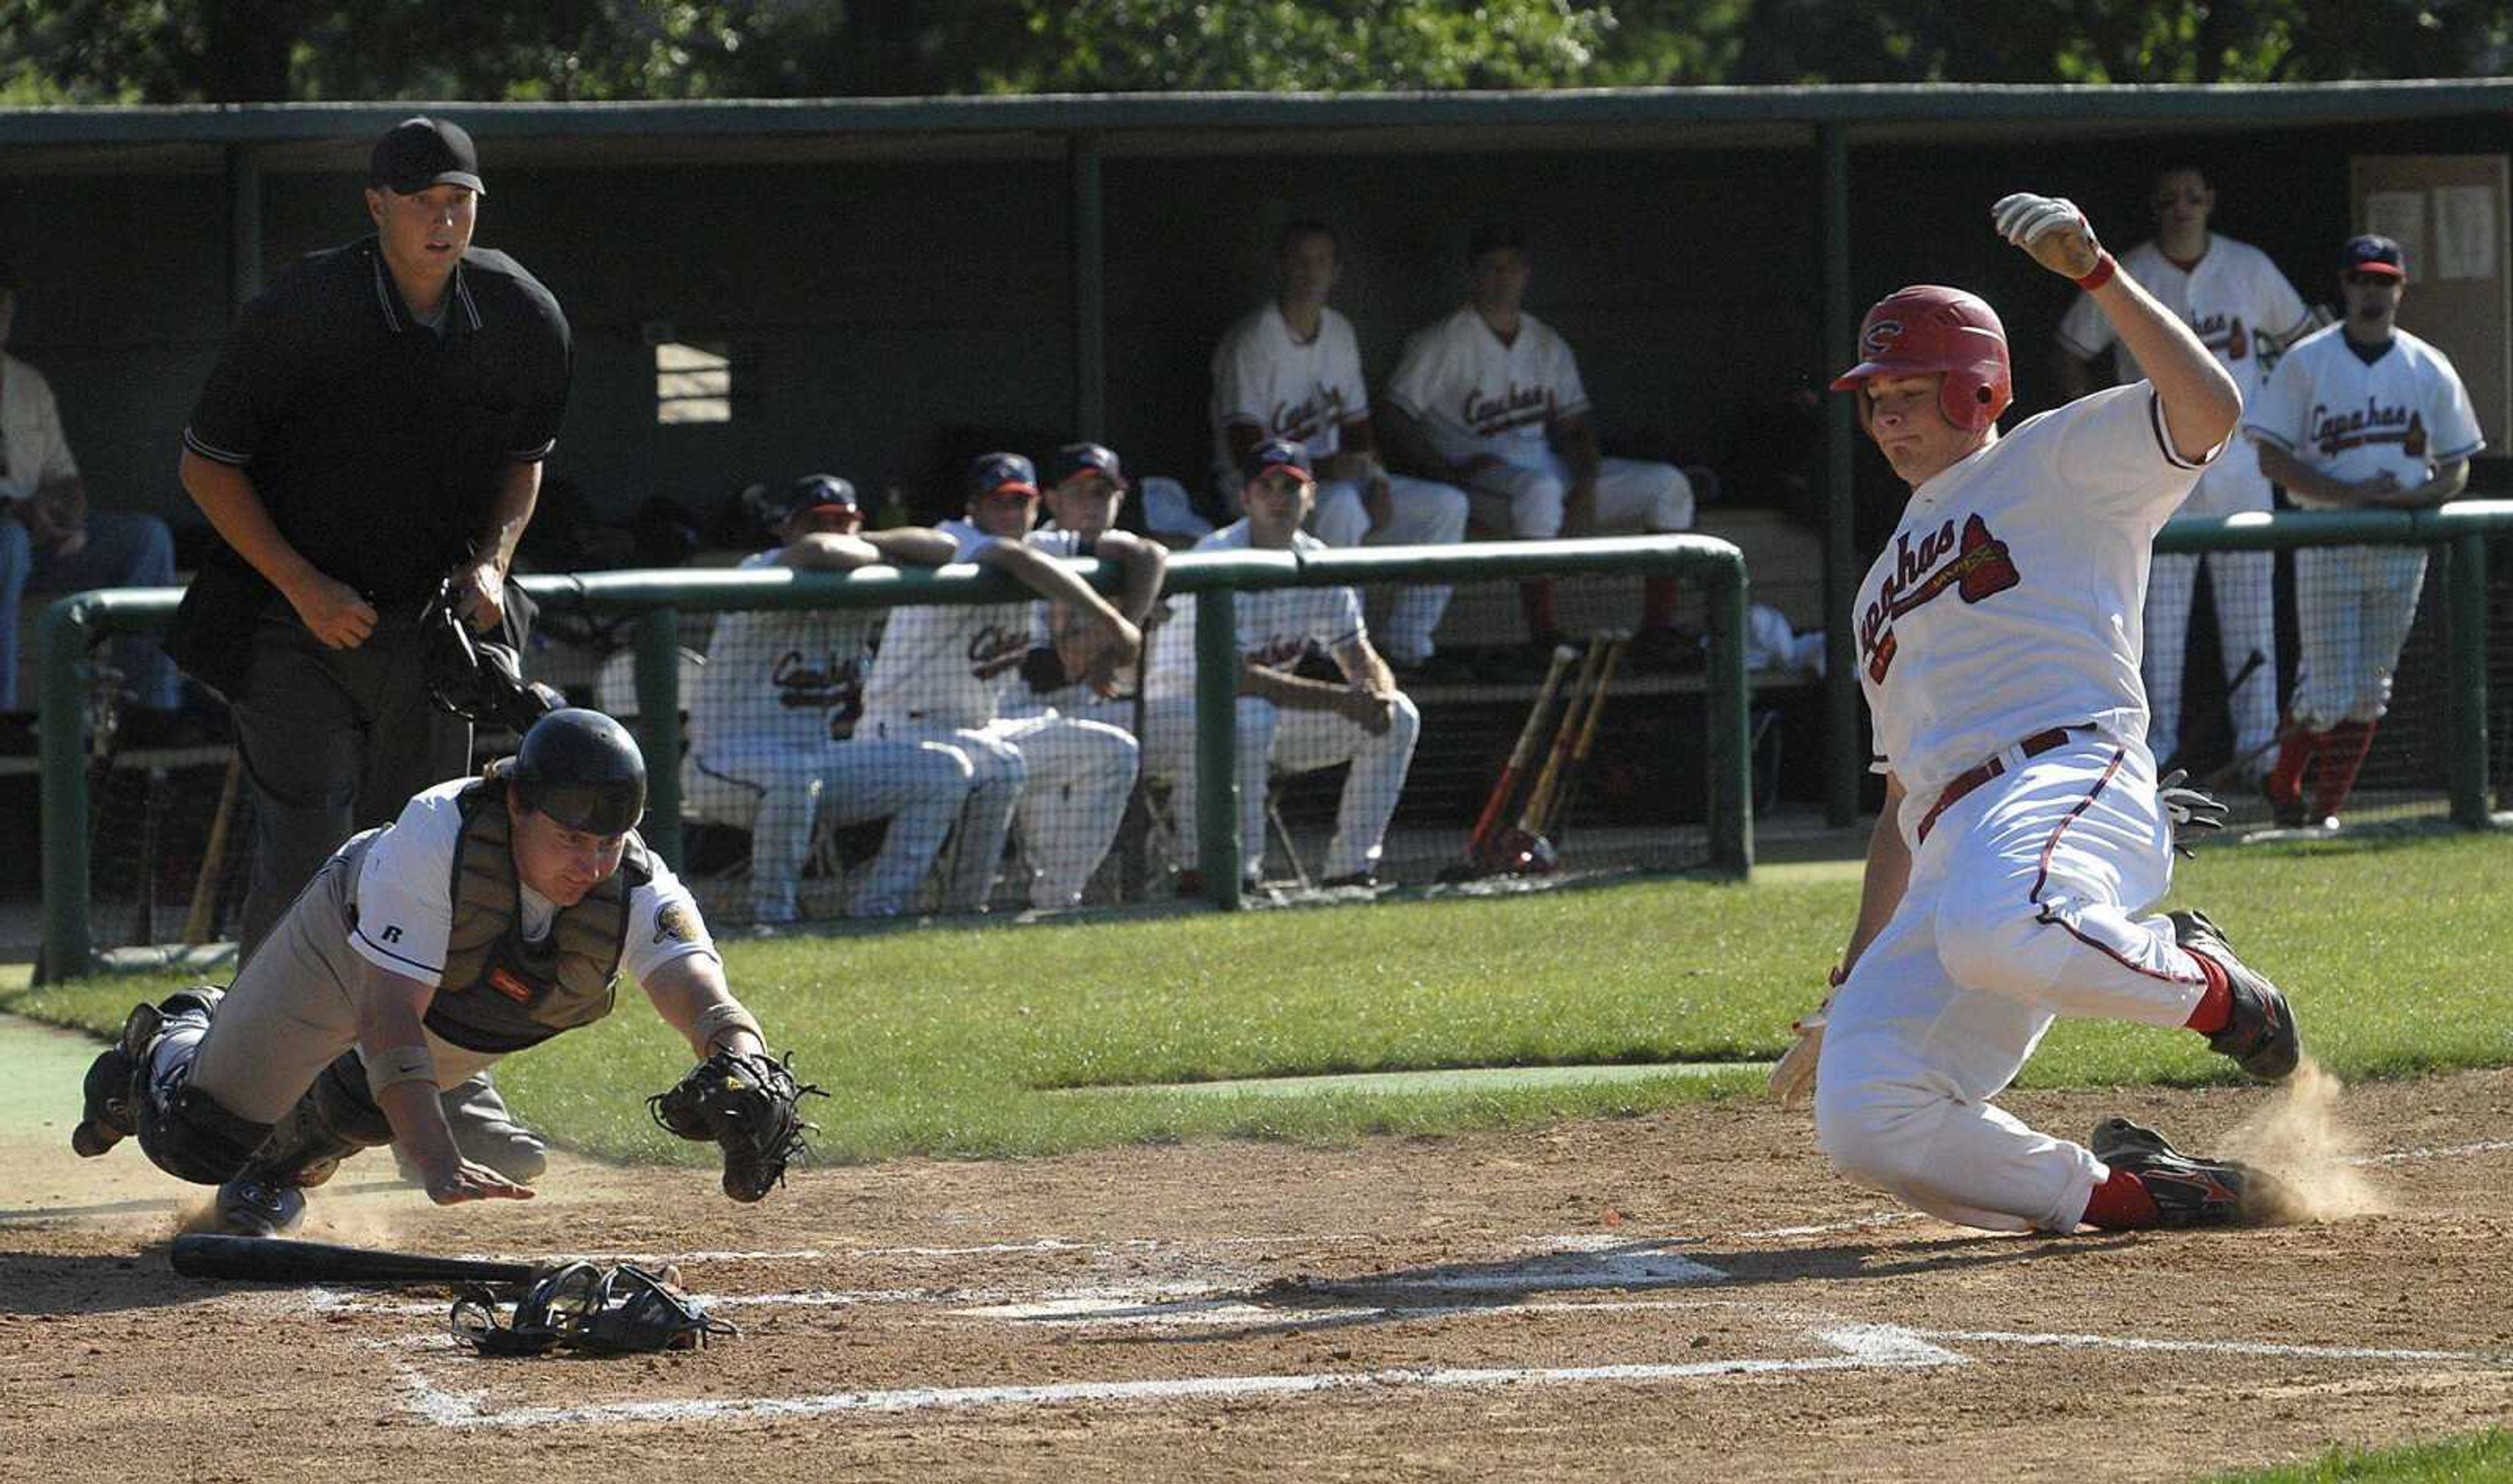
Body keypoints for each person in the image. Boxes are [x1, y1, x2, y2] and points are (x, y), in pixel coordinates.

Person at [1781, 192, 2304, 1234]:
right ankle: (2138, 1192)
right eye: (1874, 396)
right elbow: (1899, 803)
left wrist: (2101, 275)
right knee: (1864, 1113)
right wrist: (1851, 982)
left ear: (1978, 390)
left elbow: (2209, 413)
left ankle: (2211, 983)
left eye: (1912, 391)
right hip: (1952, 846)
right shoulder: (1877, 584)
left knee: (1999, 930)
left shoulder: (2057, 459)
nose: (1887, 415)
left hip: (2063, 774)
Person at [166, 115, 571, 1178]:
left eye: (462, 200)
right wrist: (301, 584)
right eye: (425, 199)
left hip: (430, 626)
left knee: (430, 857)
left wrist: (492, 563)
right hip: (290, 619)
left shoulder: (522, 316)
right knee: (310, 852)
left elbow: (523, 461)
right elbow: (207, 466)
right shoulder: (303, 311)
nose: (446, 218)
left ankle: (443, 1089)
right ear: (377, 207)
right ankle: (247, 1109)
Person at [67, 709, 802, 1236]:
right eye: (572, 838)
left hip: (457, 994)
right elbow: (386, 1013)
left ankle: (279, 1172)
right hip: (345, 945)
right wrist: (435, 1156)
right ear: (518, 804)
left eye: (609, 841)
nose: (593, 864)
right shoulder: (436, 836)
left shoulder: (636, 883)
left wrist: (743, 1062)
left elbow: (704, 998)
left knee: (362, 1103)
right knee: (195, 1140)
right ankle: (172, 1039)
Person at [2055, 164, 2316, 782]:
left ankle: (2264, 755)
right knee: (2154, 637)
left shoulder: (2248, 268)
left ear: (2211, 203)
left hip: (2241, 474)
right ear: (2154, 206)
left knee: (2252, 619)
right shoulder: (2131, 273)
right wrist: (2097, 430)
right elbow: (2070, 349)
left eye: (2193, 198)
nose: (2182, 208)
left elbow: (2304, 344)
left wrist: (2275, 421)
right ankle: (2152, 757)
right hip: (2153, 477)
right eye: (2169, 199)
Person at [1380, 225, 1705, 675]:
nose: (1501, 278)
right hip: (1478, 474)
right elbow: (1396, 415)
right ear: (1472, 277)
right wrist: (1443, 473)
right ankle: (1543, 636)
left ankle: (1655, 632)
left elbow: (1575, 425)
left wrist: (1589, 483)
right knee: (1540, 492)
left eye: (1510, 268)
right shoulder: (1444, 341)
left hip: (1542, 469)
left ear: (1526, 275)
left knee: (1668, 485)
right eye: (1490, 268)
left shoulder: (1545, 343)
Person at [2243, 234, 2484, 828]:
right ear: (2345, 285)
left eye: (2383, 280)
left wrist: (2413, 497)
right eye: (2362, 279)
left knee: (2369, 692)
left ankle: (2323, 813)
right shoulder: (2308, 360)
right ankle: (2283, 784)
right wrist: (2350, 495)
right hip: (2328, 537)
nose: (2371, 290)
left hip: (2401, 544)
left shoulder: (2428, 366)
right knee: (2326, 695)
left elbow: (2456, 466)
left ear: (2399, 287)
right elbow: (2271, 458)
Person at [682, 474, 978, 923]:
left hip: (814, 760)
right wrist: (870, 548)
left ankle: (877, 910)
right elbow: (817, 551)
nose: (833, 530)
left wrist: (865, 542)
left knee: (944, 771)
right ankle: (773, 919)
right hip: (722, 763)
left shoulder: (859, 578)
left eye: (845, 520)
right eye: (819, 520)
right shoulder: (765, 570)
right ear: (787, 528)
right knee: (794, 776)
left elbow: (944, 548)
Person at [855, 452, 1143, 911]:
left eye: (1019, 502)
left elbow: (1144, 554)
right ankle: (940, 908)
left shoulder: (1044, 546)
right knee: (1001, 765)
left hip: (978, 728)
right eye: (997, 502)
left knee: (1114, 751)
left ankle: (1055, 903)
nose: (1009, 513)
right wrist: (1109, 620)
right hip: (900, 731)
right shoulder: (961, 536)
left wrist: (1131, 624)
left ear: (1035, 508)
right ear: (975, 507)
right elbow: (1009, 557)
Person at [1143, 437, 1419, 891]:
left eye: (1290, 488)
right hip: (1180, 719)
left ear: (1310, 498)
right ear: (1246, 498)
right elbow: (1235, 678)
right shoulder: (1215, 557)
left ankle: (1349, 872)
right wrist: (1341, 699)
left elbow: (1358, 651)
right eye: (1266, 487)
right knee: (1251, 716)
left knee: (1400, 717)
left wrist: (1376, 694)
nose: (1278, 499)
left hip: (1259, 723)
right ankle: (1236, 874)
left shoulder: (1317, 560)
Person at [1209, 221, 1472, 682]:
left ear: (1336, 272)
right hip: (1260, 493)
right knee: (1345, 505)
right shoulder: (1253, 340)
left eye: (1321, 262)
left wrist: (1381, 482)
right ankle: (1343, 651)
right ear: (1282, 268)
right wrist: (1331, 469)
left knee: (1446, 506)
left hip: (1329, 485)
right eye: (1300, 261)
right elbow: (1245, 450)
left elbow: (1357, 425)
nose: (1310, 272)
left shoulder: (1340, 333)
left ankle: (1409, 644)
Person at [0, 256, 183, 739]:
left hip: (39, 542)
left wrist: (70, 515)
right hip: (8, 542)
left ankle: (149, 709)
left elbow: (61, 474)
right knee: (7, 543)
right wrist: (19, 515)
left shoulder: (25, 384)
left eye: (4, 312)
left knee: (145, 538)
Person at [1014, 442, 1171, 730]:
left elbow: (1153, 553)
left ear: (1119, 501)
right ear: (1053, 501)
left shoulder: (1123, 548)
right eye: (1077, 494)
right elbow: (1042, 671)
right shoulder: (1038, 546)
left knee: (1197, 720)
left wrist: (1116, 648)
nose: (1091, 506)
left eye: (1101, 494)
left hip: (1097, 707)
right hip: (1031, 712)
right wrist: (1119, 639)